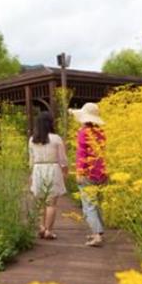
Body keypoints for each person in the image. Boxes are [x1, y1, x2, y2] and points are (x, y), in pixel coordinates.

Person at [70, 103, 108, 247]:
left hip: (88, 173)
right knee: (96, 204)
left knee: (89, 205)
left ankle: (97, 235)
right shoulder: (101, 133)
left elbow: (81, 155)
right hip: (101, 172)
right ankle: (96, 231)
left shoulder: (83, 132)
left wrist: (79, 172)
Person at [29, 111, 68, 240]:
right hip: (52, 168)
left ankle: (41, 227)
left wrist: (31, 174)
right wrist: (65, 172)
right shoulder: (56, 138)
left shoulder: (32, 139)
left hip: (38, 169)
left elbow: (31, 159)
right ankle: (48, 231)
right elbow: (63, 159)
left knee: (40, 201)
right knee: (51, 203)